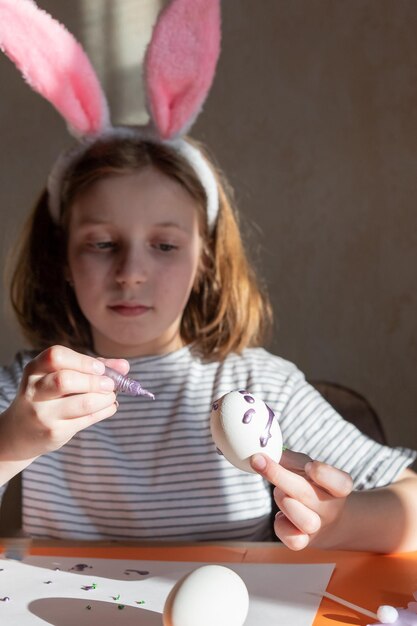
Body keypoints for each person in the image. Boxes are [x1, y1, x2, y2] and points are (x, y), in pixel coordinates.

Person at [0, 0, 417, 552]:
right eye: (101, 244)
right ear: (61, 261)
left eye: (165, 245)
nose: (131, 273)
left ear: (205, 261)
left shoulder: (259, 387)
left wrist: (340, 521)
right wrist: (12, 442)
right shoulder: (30, 388)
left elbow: (408, 498)